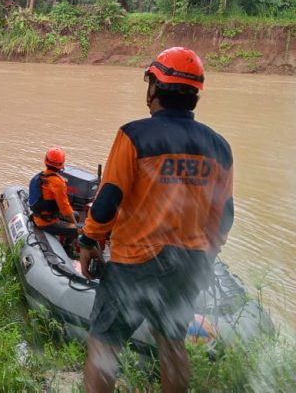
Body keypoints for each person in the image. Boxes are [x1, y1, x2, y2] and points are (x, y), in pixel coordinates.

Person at [78, 47, 234, 393]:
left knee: (104, 344)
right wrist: (204, 256)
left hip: (135, 261)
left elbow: (106, 202)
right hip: (189, 264)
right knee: (172, 343)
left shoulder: (134, 135)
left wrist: (88, 241)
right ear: (194, 94)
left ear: (155, 89)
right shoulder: (219, 147)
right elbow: (225, 216)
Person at [29, 147, 78, 249]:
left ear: (46, 161)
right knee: (75, 229)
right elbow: (65, 209)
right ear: (61, 164)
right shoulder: (58, 182)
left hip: (38, 216)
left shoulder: (40, 176)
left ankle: (65, 240)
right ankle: (67, 248)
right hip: (46, 222)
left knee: (76, 215)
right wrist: (75, 225)